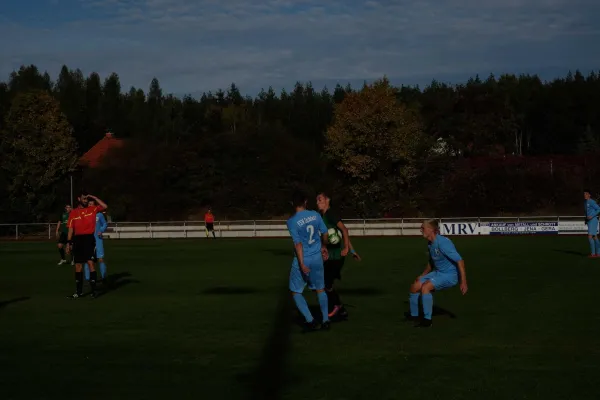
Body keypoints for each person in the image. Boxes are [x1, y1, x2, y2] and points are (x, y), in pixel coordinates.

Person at [407, 219, 468, 328]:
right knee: (415, 286)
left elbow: (460, 260)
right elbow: (432, 262)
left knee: (425, 287)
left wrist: (463, 282)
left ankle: (427, 321)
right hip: (438, 272)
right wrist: (423, 275)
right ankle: (414, 317)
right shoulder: (430, 243)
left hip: (450, 276)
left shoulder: (443, 243)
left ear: (431, 230)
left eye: (423, 228)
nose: (421, 230)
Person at [287, 191, 331, 332]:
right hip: (317, 258)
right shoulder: (315, 215)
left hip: (304, 259)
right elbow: (325, 232)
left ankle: (310, 320)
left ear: (292, 204)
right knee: (320, 289)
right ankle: (325, 320)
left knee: (295, 291)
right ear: (305, 201)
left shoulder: (292, 221)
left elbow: (298, 244)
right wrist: (324, 246)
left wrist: (301, 263)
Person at [316, 192, 361, 319]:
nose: (317, 202)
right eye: (317, 200)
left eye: (320, 200)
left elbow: (344, 230)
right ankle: (339, 309)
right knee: (325, 283)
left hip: (336, 256)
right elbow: (342, 234)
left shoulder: (331, 214)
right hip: (328, 256)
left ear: (327, 200)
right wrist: (352, 251)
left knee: (325, 283)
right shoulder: (321, 215)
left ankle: (337, 307)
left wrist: (347, 248)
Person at [66, 193, 107, 299]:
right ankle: (78, 292)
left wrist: (94, 197)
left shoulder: (92, 209)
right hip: (77, 240)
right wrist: (69, 242)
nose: (85, 200)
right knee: (78, 265)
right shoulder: (73, 213)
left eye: (87, 199)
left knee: (90, 263)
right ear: (78, 199)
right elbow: (70, 228)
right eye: (84, 198)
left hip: (89, 239)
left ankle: (94, 291)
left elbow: (105, 206)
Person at [84, 199, 108, 283]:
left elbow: (105, 224)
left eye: (92, 204)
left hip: (98, 239)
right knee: (88, 259)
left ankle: (103, 276)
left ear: (95, 206)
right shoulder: (85, 214)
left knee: (100, 259)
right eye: (89, 204)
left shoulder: (99, 215)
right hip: (88, 239)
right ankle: (87, 278)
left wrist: (101, 230)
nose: (90, 205)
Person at [584, 190, 600, 257]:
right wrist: (586, 219)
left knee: (590, 236)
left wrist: (592, 216)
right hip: (589, 221)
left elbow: (599, 209)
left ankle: (593, 254)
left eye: (586, 194)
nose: (585, 195)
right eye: (584, 194)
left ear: (589, 195)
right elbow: (587, 212)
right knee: (595, 237)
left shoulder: (592, 201)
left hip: (593, 220)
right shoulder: (585, 202)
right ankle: (598, 253)